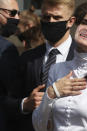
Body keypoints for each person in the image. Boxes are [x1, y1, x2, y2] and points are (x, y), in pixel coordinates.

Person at [10, 0, 77, 130]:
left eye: (57, 17)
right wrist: (25, 104)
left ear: (71, 21)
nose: (51, 21)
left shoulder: (84, 57)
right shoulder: (28, 58)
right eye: (46, 17)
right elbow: (9, 100)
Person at [0, 0, 20, 130]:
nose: (17, 18)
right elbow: (13, 90)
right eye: (12, 13)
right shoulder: (6, 49)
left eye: (18, 13)